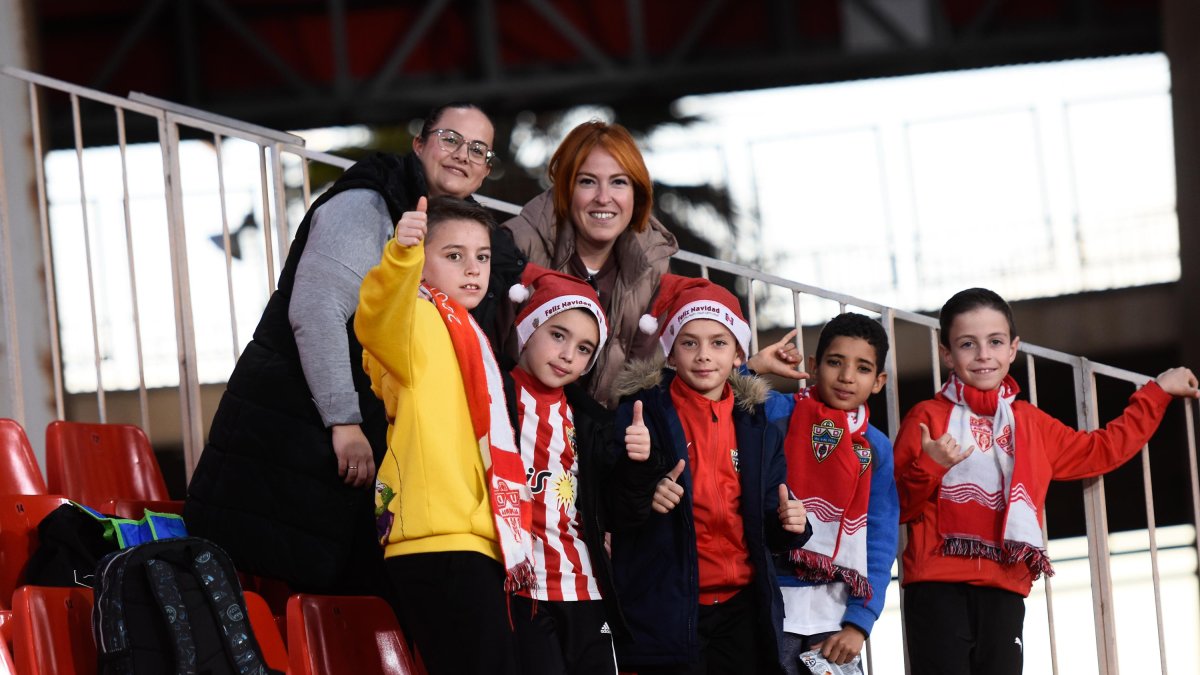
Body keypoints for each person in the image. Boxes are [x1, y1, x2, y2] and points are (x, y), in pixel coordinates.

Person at [184, 102, 498, 593]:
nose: (463, 155)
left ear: (485, 170)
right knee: (285, 603)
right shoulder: (366, 205)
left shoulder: (451, 233)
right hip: (296, 430)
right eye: (451, 139)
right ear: (419, 144)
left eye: (478, 149)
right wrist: (344, 422)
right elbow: (316, 313)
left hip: (340, 442)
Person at [894, 287, 1200, 675]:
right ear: (946, 353)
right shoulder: (925, 417)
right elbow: (898, 506)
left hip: (1005, 587)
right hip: (935, 586)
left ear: (1013, 348)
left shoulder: (1030, 423)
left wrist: (1157, 393)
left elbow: (1101, 450)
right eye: (967, 344)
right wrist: (931, 466)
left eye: (995, 342)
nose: (984, 354)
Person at [355, 196, 533, 675]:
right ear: (423, 260)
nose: (472, 268)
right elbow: (374, 315)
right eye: (453, 255)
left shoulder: (469, 331)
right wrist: (401, 254)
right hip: (435, 541)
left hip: (471, 538)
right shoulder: (414, 318)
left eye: (482, 257)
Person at [605, 274, 811, 674]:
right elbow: (613, 510)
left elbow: (769, 521)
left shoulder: (759, 426)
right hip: (669, 606)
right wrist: (645, 486)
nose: (703, 355)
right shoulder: (640, 414)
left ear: (738, 355)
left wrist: (792, 524)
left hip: (743, 610)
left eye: (718, 343)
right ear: (670, 354)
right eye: (689, 342)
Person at [748, 315, 900, 673]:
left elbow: (879, 538)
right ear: (814, 367)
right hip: (772, 601)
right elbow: (722, 401)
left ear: (878, 382)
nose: (847, 376)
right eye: (835, 362)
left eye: (862, 368)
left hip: (836, 615)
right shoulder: (779, 411)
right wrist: (753, 367)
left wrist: (859, 623)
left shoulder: (876, 446)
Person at [503, 120, 678, 408]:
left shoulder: (653, 264)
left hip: (604, 434)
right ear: (566, 189)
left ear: (637, 192)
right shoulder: (518, 245)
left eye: (619, 182)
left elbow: (644, 375)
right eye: (587, 181)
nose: (603, 198)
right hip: (519, 422)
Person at [503, 263, 626, 674]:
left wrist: (642, 465)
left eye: (584, 348)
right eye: (558, 335)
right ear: (527, 329)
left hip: (585, 585)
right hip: (524, 589)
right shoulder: (495, 395)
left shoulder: (589, 419)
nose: (568, 355)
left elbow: (617, 496)